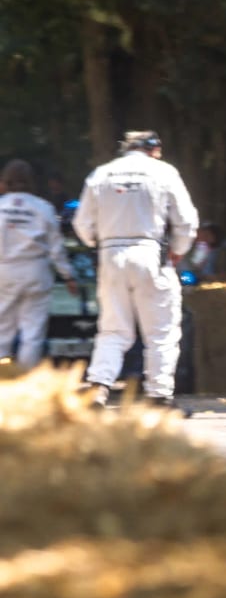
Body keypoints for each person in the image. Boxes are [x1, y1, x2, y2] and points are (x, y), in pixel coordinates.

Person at [72, 131, 198, 409]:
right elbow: (187, 220)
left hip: (111, 256)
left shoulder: (102, 174)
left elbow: (81, 223)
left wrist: (101, 244)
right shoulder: (164, 172)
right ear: (153, 149)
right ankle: (159, 395)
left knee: (113, 330)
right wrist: (177, 251)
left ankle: (98, 388)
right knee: (161, 331)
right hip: (151, 253)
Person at [0, 159, 78, 369]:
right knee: (32, 332)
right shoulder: (43, 208)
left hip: (4, 270)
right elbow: (56, 248)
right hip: (36, 270)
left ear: (4, 182)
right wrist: (68, 275)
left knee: (2, 328)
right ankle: (25, 380)